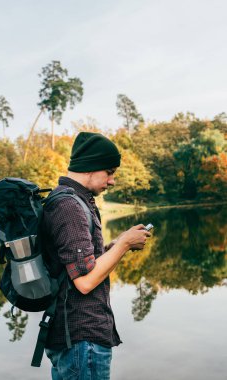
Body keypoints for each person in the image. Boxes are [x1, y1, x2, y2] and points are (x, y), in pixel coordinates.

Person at [42, 132, 151, 380]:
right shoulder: (69, 207)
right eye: (109, 172)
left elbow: (79, 265)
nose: (112, 181)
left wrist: (115, 245)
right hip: (81, 340)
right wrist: (123, 244)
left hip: (76, 340)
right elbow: (85, 281)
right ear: (90, 168)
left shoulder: (74, 200)